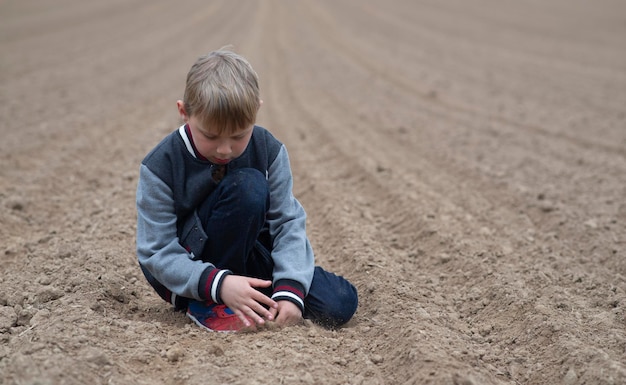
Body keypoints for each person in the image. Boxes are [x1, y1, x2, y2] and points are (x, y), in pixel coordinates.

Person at [135, 49, 358, 332]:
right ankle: (210, 304)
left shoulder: (269, 149)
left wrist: (290, 290)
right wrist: (221, 284)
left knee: (339, 302)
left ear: (256, 112)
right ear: (184, 112)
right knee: (248, 186)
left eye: (239, 135)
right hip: (193, 269)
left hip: (250, 253)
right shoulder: (161, 165)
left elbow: (286, 222)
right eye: (211, 136)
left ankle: (249, 293)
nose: (225, 149)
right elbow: (156, 252)